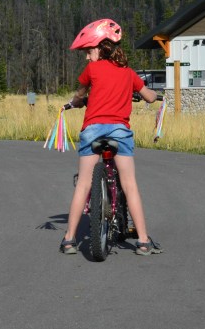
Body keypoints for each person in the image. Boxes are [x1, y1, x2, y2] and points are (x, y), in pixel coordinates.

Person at [60, 19, 163, 256]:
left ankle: (68, 239)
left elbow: (79, 96)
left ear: (100, 47)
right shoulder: (128, 74)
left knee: (84, 184)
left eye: (89, 51)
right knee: (129, 184)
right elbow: (148, 96)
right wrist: (156, 95)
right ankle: (144, 241)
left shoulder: (92, 70)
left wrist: (75, 103)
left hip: (93, 130)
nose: (87, 57)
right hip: (119, 131)